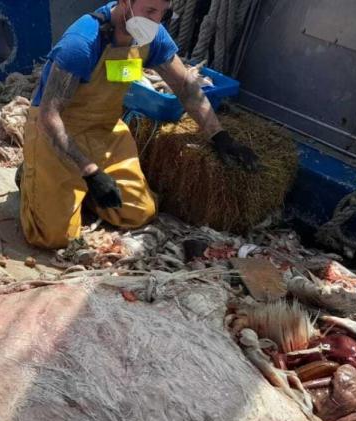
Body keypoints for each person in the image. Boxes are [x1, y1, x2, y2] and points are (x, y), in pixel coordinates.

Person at [19, 0, 259, 249]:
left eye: (162, 13)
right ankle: (31, 175)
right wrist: (90, 171)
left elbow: (185, 86)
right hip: (57, 133)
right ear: (125, 3)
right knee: (52, 238)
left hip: (105, 131)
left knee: (140, 213)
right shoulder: (81, 43)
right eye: (149, 11)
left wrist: (219, 135)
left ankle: (81, 191)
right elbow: (49, 116)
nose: (155, 21)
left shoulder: (151, 36)